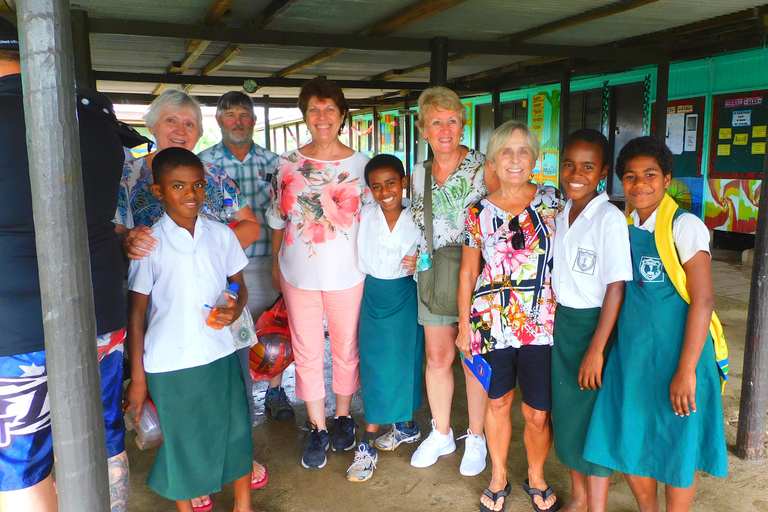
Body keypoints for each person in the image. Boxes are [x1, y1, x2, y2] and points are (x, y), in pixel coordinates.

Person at [0, 18, 136, 512]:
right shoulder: (93, 114)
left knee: (21, 460)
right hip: (98, 309)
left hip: (15, 328)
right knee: (100, 434)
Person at [114, 89, 265, 512]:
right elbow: (138, 310)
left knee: (233, 425)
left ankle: (241, 501)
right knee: (182, 434)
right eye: (171, 122)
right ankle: (193, 489)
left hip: (219, 345)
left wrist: (231, 295)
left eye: (190, 124)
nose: (192, 192)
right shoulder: (143, 220)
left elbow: (237, 278)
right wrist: (138, 377)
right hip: (169, 356)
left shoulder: (217, 216)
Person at [583, 136, 727, 512]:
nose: (639, 184)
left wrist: (687, 370)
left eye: (650, 175)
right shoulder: (623, 224)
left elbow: (704, 299)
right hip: (633, 355)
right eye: (629, 177)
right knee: (631, 438)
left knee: (676, 442)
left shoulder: (684, 226)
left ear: (666, 179)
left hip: (679, 354)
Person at [457, 120, 563, 512]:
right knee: (498, 403)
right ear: (493, 161)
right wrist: (464, 325)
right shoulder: (477, 213)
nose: (515, 159)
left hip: (542, 325)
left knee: (537, 412)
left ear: (534, 158)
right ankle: (498, 475)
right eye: (506, 151)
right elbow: (469, 271)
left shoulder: (553, 202)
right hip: (491, 324)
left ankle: (536, 475)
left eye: (523, 151)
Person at [268, 77, 370, 470]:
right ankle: (318, 426)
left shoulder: (361, 166)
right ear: (305, 116)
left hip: (349, 273)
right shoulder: (287, 164)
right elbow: (278, 219)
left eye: (330, 109)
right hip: (298, 274)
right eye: (314, 109)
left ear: (343, 115)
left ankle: (343, 417)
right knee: (308, 351)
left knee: (346, 348)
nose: (322, 117)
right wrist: (273, 264)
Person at [407, 86, 499, 476]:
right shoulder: (418, 172)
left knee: (473, 359)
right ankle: (441, 431)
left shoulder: (485, 167)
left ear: (463, 125)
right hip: (430, 277)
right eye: (436, 123)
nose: (445, 129)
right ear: (423, 130)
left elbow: (503, 217)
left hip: (476, 278)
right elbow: (416, 222)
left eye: (452, 121)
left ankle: (475, 436)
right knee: (437, 357)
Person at [198, 91, 294, 422]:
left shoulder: (274, 163)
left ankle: (275, 393)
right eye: (230, 115)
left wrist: (281, 263)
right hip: (225, 267)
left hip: (269, 260)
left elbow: (285, 211)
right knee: (235, 335)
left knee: (274, 331)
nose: (237, 121)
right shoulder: (203, 163)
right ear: (219, 121)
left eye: (243, 115)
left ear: (253, 121)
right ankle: (241, 400)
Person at [550, 129, 632, 512]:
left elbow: (616, 287)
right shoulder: (563, 212)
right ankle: (579, 497)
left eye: (587, 166)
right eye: (569, 164)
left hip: (595, 327)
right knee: (568, 418)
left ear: (602, 172)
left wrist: (597, 349)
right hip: (564, 325)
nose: (575, 173)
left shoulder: (609, 217)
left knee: (594, 420)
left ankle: (595, 507)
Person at [346, 155, 423, 483]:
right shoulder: (365, 215)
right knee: (375, 366)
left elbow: (439, 251)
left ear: (404, 181)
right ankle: (384, 432)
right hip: (373, 297)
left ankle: (394, 430)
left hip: (406, 296)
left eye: (391, 183)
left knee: (405, 363)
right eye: (376, 186)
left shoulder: (420, 217)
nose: (384, 191)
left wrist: (423, 260)